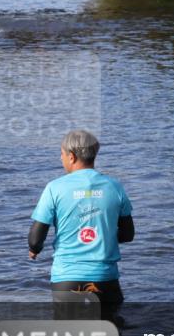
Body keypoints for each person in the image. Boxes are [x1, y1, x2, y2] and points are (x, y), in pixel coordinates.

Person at [28, 130, 135, 310]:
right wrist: (104, 236)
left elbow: (36, 239)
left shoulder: (54, 188)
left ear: (72, 156)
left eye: (61, 154)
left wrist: (34, 249)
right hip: (105, 279)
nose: (61, 159)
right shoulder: (115, 186)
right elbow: (127, 234)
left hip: (66, 280)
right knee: (112, 333)